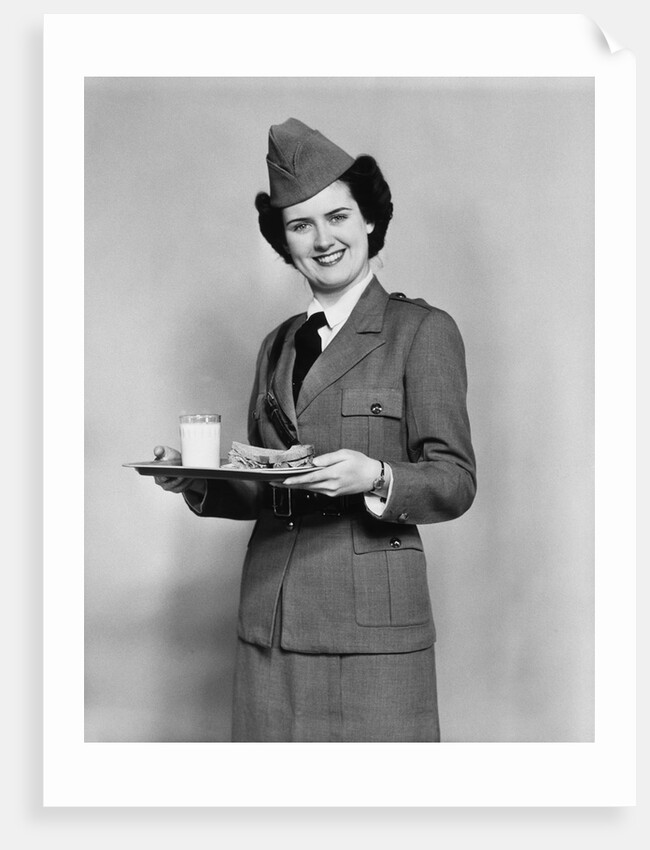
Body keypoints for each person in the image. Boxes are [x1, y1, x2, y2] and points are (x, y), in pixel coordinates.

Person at [154, 118, 476, 742]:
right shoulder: (276, 345)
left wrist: (377, 477)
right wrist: (193, 480)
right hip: (270, 620)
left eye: (338, 217)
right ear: (285, 241)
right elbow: (265, 482)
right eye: (301, 224)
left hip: (373, 632)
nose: (323, 239)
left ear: (369, 221)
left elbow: (455, 481)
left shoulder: (422, 332)